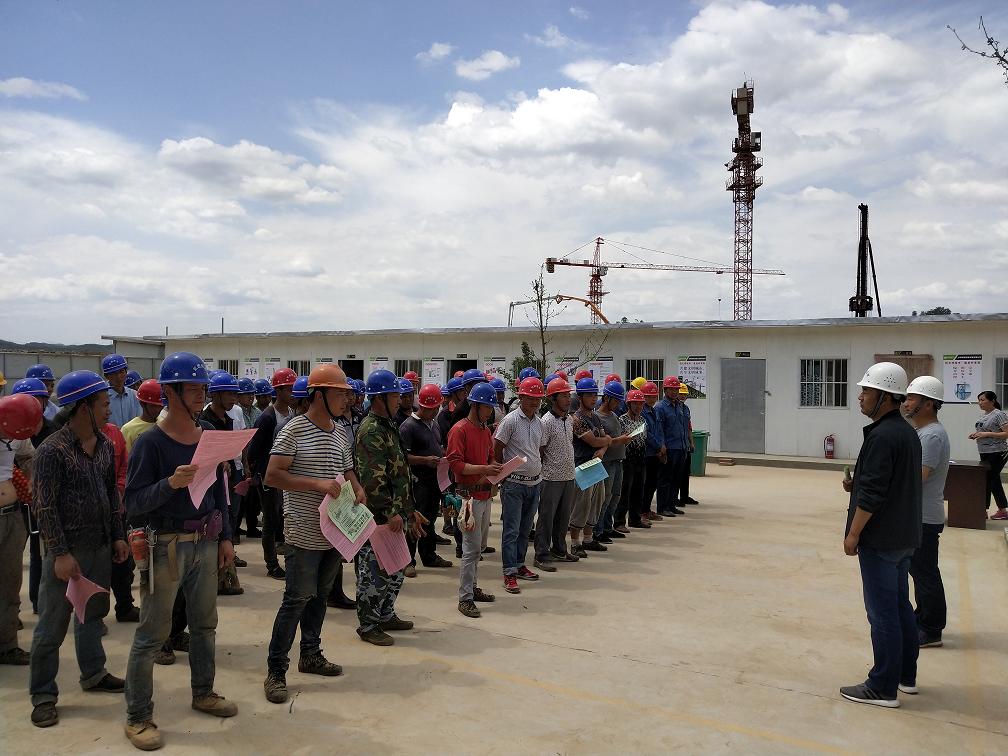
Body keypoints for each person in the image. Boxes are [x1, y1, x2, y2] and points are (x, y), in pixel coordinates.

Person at [123, 352, 239, 750]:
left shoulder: (207, 434)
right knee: (152, 634)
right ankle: (138, 716)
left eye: (202, 388)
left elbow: (218, 492)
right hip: (166, 548)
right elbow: (132, 502)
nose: (201, 395)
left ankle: (203, 692)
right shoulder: (150, 443)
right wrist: (169, 484)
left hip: (205, 542)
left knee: (205, 625)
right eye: (193, 389)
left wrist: (226, 537)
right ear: (171, 393)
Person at [28, 371, 129, 728]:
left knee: (93, 616)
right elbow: (44, 506)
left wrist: (117, 535)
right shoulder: (51, 451)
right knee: (52, 626)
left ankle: (94, 673)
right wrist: (59, 553)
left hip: (99, 548)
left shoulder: (104, 445)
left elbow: (110, 495)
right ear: (83, 408)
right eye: (103, 404)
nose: (108, 410)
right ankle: (43, 694)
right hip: (66, 554)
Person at [263, 364, 363, 704]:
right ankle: (276, 670)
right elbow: (272, 475)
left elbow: (347, 469)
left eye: (347, 394)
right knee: (296, 600)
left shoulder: (340, 432)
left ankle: (310, 654)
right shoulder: (294, 429)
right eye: (340, 394)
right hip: (303, 531)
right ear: (319, 395)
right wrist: (316, 484)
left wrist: (357, 487)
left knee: (319, 597)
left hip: (334, 532)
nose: (346, 400)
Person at [840, 362, 921, 708]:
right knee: (900, 607)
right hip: (902, 536)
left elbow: (873, 494)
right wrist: (855, 484)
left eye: (867, 391)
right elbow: (888, 482)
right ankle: (905, 675)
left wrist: (853, 533)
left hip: (881, 539)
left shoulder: (882, 436)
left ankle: (882, 686)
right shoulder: (905, 432)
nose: (860, 396)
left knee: (882, 614)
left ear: (886, 397)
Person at [354, 369, 422, 646]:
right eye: (394, 395)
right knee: (374, 572)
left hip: (396, 513)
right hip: (379, 517)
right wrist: (389, 512)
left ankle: (385, 614)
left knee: (395, 568)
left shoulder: (389, 425)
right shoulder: (371, 430)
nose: (400, 400)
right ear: (379, 398)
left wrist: (408, 509)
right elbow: (372, 480)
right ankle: (368, 625)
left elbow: (400, 472)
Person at [902, 376, 950, 649]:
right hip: (919, 515)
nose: (906, 403)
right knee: (920, 572)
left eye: (912, 398)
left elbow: (918, 477)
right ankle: (923, 619)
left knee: (925, 573)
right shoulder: (924, 432)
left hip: (924, 517)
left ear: (929, 403)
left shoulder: (931, 435)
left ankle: (931, 630)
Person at [448, 382, 502, 617]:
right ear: (475, 405)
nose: (490, 412)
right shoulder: (459, 430)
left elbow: (490, 457)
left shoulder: (485, 430)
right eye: (487, 407)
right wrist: (486, 469)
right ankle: (465, 598)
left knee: (478, 548)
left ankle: (472, 587)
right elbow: (456, 465)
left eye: (491, 408)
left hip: (484, 494)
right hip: (468, 497)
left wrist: (496, 469)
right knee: (470, 549)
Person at [0, 393, 41, 666]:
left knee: (9, 582)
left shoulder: (18, 429)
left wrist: (32, 482)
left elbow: (28, 457)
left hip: (12, 517)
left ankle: (7, 645)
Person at [494, 377, 546, 591]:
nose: (535, 402)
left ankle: (519, 564)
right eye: (530, 398)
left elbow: (539, 449)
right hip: (514, 484)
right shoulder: (511, 421)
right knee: (512, 531)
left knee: (525, 529)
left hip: (534, 484)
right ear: (521, 397)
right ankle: (509, 572)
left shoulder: (540, 422)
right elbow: (497, 447)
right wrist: (500, 475)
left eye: (538, 399)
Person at [247, 368, 298, 579]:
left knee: (282, 517)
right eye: (289, 389)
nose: (293, 393)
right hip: (268, 478)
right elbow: (253, 451)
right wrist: (258, 475)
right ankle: (271, 564)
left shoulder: (292, 414)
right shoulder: (267, 418)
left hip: (285, 476)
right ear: (279, 391)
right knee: (270, 520)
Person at [198, 371, 246, 596]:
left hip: (230, 475)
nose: (233, 399)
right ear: (215, 395)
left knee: (230, 518)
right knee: (215, 521)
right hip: (213, 480)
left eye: (235, 394)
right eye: (228, 394)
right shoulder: (204, 421)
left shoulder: (228, 419)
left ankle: (226, 569)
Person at [399, 383, 454, 574]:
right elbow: (402, 457)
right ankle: (408, 561)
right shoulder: (408, 427)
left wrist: (443, 455)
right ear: (422, 406)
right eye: (432, 409)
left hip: (434, 480)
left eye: (436, 408)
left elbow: (437, 445)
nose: (435, 412)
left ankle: (429, 555)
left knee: (429, 520)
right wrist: (425, 460)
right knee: (415, 520)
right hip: (417, 482)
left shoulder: (434, 424)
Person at [536, 376, 578, 566]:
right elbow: (540, 450)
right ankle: (541, 553)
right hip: (551, 477)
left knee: (563, 518)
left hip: (568, 475)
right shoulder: (546, 421)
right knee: (547, 517)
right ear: (553, 399)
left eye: (568, 395)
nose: (568, 399)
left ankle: (560, 549)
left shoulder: (568, 419)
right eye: (563, 396)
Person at [569, 377, 611, 557]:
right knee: (582, 504)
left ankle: (588, 538)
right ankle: (575, 542)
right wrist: (605, 442)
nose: (593, 399)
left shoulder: (594, 417)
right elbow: (594, 440)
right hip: (582, 465)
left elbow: (604, 440)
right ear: (580, 397)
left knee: (597, 501)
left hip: (595, 464)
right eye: (589, 395)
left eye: (595, 395)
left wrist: (602, 449)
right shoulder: (576, 419)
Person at [593, 381, 632, 544]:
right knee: (604, 497)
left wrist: (624, 438)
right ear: (606, 398)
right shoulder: (597, 418)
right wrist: (620, 440)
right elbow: (601, 442)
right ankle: (598, 530)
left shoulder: (614, 416)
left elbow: (614, 437)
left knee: (615, 495)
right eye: (615, 400)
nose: (618, 404)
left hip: (617, 460)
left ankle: (608, 526)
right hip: (606, 462)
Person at [970, 390, 1008, 520]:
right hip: (985, 452)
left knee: (986, 480)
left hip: (998, 452)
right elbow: (984, 431)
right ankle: (1003, 510)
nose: (980, 403)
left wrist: (986, 434)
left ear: (992, 401)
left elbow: (1006, 433)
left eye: (983, 400)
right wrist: (976, 434)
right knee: (994, 480)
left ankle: (982, 510)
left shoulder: (999, 414)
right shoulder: (983, 416)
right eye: (979, 400)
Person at [616, 389, 649, 530]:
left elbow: (644, 438)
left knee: (638, 489)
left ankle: (635, 519)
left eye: (640, 404)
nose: (638, 407)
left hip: (640, 458)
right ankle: (619, 522)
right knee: (624, 491)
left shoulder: (643, 420)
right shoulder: (621, 420)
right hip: (627, 459)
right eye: (635, 404)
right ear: (628, 404)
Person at [655, 376, 687, 517]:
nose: (674, 392)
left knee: (676, 478)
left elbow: (683, 426)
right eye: (671, 389)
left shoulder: (679, 406)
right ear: (665, 390)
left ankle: (672, 504)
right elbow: (659, 428)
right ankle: (662, 507)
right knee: (665, 479)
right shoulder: (660, 407)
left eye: (676, 389)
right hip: (669, 448)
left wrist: (686, 444)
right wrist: (661, 446)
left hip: (680, 447)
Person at [640, 381, 665, 522]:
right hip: (647, 453)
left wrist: (662, 445)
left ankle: (647, 509)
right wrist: (658, 446)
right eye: (649, 396)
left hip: (656, 452)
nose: (652, 399)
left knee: (652, 483)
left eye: (654, 396)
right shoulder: (642, 412)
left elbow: (659, 430)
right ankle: (641, 512)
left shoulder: (654, 411)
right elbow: (646, 433)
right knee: (645, 484)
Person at [122, 380, 163, 453]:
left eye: (160, 405)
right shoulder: (128, 430)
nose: (158, 409)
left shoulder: (164, 424)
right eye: (153, 406)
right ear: (142, 404)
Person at [103, 354, 142, 428]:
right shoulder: (102, 397)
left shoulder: (135, 395)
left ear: (126, 372)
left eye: (121, 372)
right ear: (106, 376)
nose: (118, 377)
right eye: (113, 373)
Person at [678, 383, 699, 506]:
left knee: (686, 472)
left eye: (685, 395)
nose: (683, 397)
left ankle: (684, 496)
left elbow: (689, 427)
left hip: (685, 444)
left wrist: (691, 442)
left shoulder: (686, 409)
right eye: (681, 394)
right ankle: (673, 498)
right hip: (675, 445)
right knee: (676, 473)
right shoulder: (673, 408)